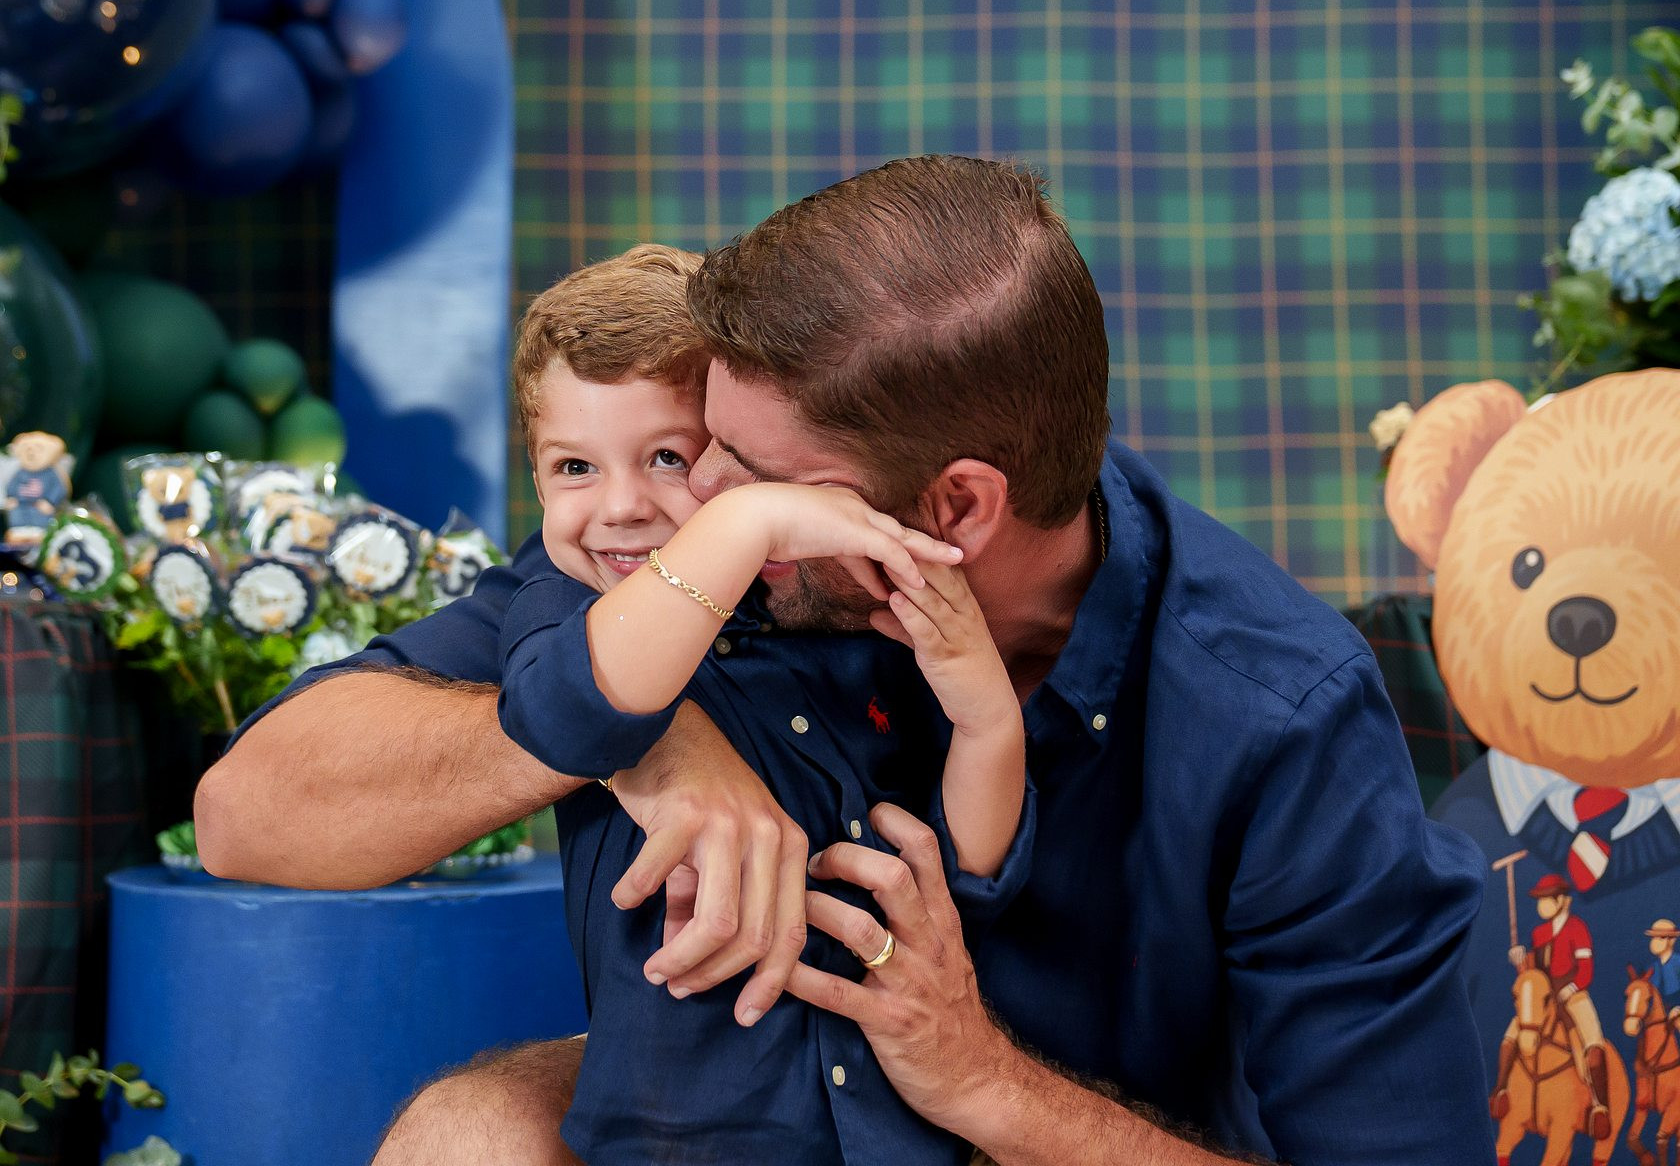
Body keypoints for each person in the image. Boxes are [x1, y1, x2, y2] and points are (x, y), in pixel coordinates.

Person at [198, 155, 1491, 1165]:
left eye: (757, 479)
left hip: (1058, 1139)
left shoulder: (1280, 713)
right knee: (473, 1133)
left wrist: (984, 1081)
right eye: (699, 443)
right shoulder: (688, 565)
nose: (694, 499)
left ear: (956, 509)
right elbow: (248, 816)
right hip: (760, 1112)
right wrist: (645, 736)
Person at [496, 240, 1029, 1163]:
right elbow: (568, 719)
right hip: (679, 1136)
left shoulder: (837, 611)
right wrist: (748, 523)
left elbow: (969, 877)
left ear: (733, 461)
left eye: (667, 457)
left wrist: (988, 721)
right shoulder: (563, 608)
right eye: (573, 468)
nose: (620, 507)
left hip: (895, 1133)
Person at [1491, 874, 1612, 1137]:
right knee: (1511, 1036)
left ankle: (1600, 1106)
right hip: (1544, 996)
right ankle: (1501, 1090)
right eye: (1540, 900)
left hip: (1573, 993)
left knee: (1593, 1046)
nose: (1542, 905)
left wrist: (1571, 988)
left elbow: (1586, 970)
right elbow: (1534, 973)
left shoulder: (1577, 928)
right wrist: (1521, 962)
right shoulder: (1539, 933)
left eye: (1546, 899)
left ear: (1562, 901)